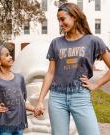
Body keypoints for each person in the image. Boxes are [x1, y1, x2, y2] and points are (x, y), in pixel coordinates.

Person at [34, 2, 110, 135]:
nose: (60, 23)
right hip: (57, 97)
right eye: (58, 20)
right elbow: (50, 73)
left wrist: (95, 85)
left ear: (74, 17)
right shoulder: (56, 43)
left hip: (80, 96)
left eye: (63, 19)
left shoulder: (93, 41)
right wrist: (40, 100)